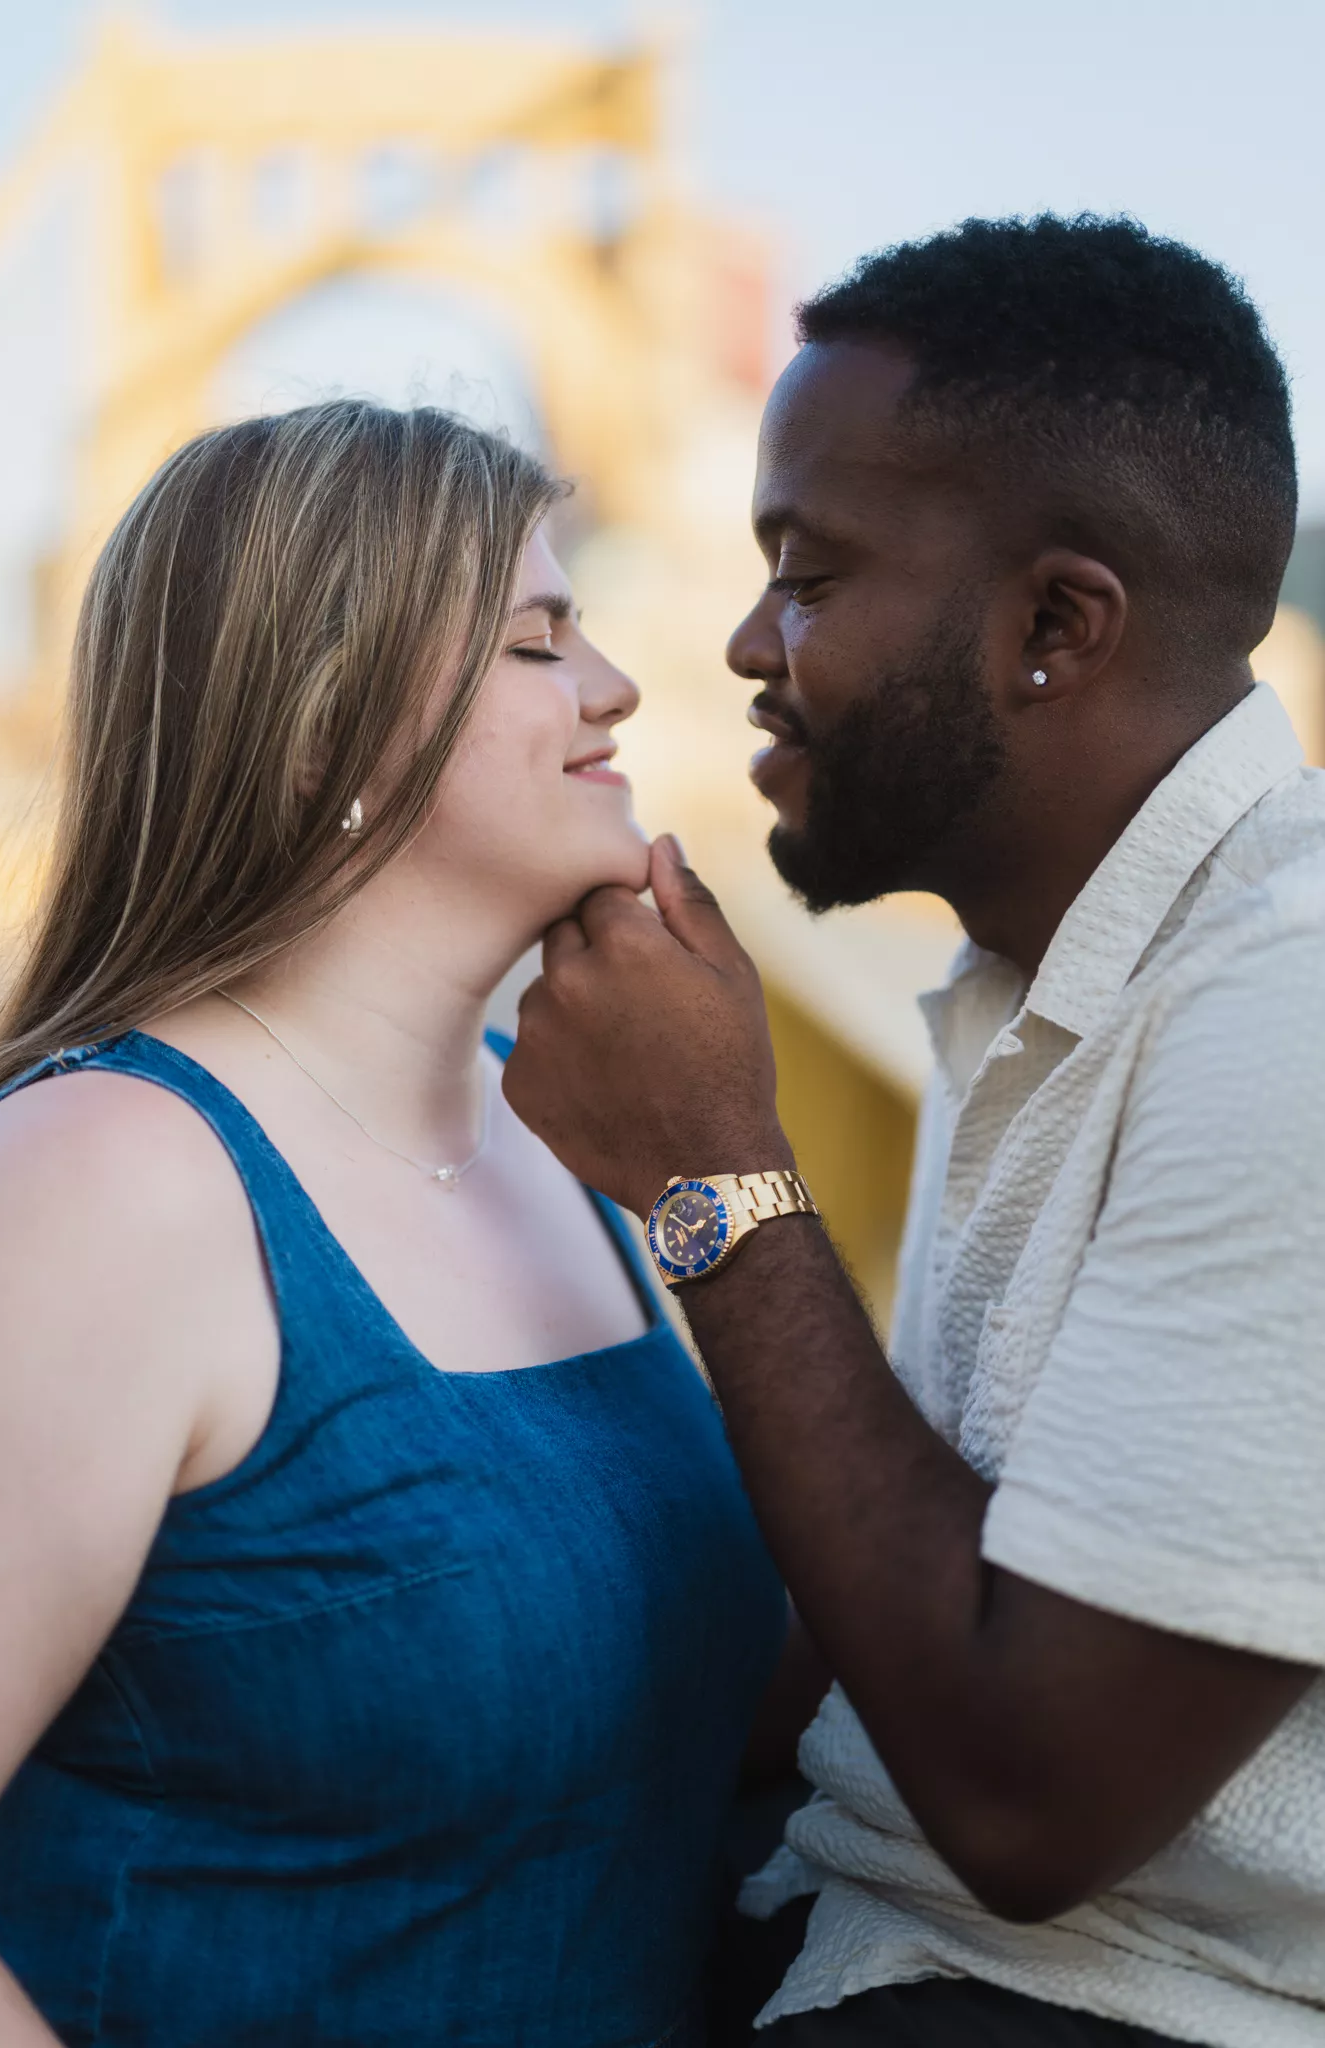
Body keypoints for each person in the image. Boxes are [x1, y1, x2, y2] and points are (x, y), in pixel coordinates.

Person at [501, 215, 1325, 2048]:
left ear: (1055, 627)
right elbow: (906, 1572)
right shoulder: (1035, 968)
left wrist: (713, 1178)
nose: (741, 645)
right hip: (870, 1928)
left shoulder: (1289, 1007)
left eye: (808, 575)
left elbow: (1038, 1810)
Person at [0, 400, 794, 2047]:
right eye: (537, 641)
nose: (616, 687)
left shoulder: (563, 1140)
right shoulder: (101, 1186)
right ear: (319, 729)